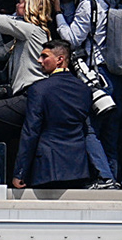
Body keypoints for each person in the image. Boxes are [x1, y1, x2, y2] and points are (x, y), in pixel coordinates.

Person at [13, 40, 95, 190]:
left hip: (48, 167)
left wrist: (20, 172)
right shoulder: (84, 89)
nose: (39, 61)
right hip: (78, 165)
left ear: (60, 60)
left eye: (44, 56)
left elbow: (31, 131)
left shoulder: (39, 89)